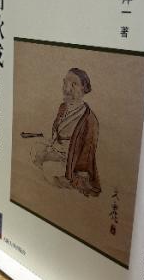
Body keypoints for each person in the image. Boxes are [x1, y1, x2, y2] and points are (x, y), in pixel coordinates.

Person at [32, 67, 101, 197]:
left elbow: (88, 151)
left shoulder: (89, 119)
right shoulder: (63, 107)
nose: (67, 89)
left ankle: (62, 182)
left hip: (71, 160)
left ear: (84, 88)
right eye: (65, 83)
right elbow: (56, 131)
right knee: (36, 149)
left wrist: (80, 174)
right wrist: (49, 145)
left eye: (74, 84)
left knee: (48, 167)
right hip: (56, 150)